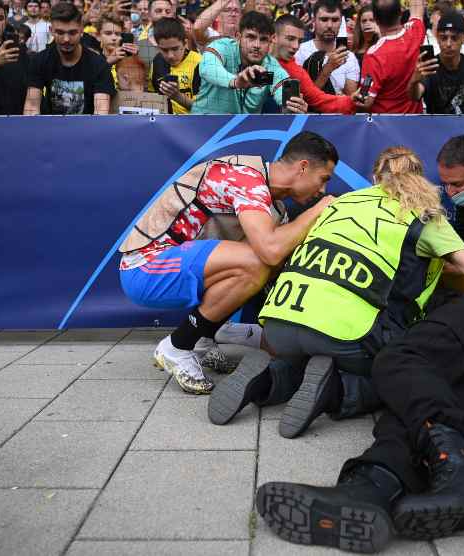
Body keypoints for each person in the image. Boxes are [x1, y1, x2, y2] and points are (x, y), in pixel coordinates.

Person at [210, 146, 464, 439]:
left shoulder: (339, 203)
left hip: (278, 328)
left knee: (309, 356)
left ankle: (267, 380)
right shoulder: (424, 216)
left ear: (375, 177)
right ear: (419, 178)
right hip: (346, 335)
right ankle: (336, 392)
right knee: (400, 373)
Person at [256, 292, 464, 552]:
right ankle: (376, 488)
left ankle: (457, 470)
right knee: (412, 407)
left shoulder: (446, 256)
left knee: (398, 359)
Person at [119, 131, 339, 394]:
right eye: (323, 179)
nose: (323, 190)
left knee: (274, 259)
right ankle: (177, 346)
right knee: (260, 259)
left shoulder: (275, 208)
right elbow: (269, 251)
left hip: (176, 267)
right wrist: (319, 210)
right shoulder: (245, 178)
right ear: (303, 167)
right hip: (144, 269)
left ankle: (204, 338)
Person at [191, 11, 306, 114]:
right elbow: (207, 69)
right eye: (251, 37)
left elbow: (282, 89)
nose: (257, 45)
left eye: (263, 39)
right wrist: (236, 81)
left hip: (244, 133)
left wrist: (292, 106)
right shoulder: (222, 47)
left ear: (271, 40)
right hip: (203, 127)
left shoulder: (271, 67)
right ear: (238, 37)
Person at [24, 2, 115, 114]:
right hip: (49, 129)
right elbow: (31, 107)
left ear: (81, 29)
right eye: (60, 32)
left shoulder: (98, 64)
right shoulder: (39, 61)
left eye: (72, 33)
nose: (66, 39)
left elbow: (101, 111)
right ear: (51, 30)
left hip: (88, 129)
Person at [272, 14, 356, 113]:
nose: (296, 46)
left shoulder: (297, 72)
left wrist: (352, 100)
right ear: (274, 37)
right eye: (290, 39)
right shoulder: (256, 58)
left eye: (299, 41)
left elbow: (319, 99)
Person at [408, 10, 464, 114]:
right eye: (443, 38)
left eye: (454, 38)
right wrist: (414, 81)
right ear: (437, 38)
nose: (448, 44)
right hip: (437, 126)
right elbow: (415, 96)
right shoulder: (430, 67)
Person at [354, 0, 426, 114]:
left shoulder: (374, 55)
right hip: (414, 121)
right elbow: (417, 10)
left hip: (385, 125)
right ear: (401, 13)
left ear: (375, 19)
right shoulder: (415, 32)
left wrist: (349, 98)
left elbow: (365, 101)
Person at [293, 0, 360, 96]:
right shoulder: (298, 52)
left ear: (341, 22)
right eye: (324, 19)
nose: (329, 25)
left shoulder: (349, 57)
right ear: (313, 21)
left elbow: (350, 100)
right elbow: (302, 98)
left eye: (335, 20)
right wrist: (328, 68)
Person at [149, 16, 201, 113]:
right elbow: (152, 96)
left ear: (185, 43)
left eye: (175, 49)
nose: (170, 56)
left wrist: (177, 96)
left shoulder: (200, 63)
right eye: (164, 50)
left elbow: (204, 110)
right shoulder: (157, 61)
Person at [136, 0, 175, 69]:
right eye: (158, 11)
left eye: (168, 12)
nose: (164, 14)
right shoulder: (140, 44)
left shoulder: (184, 40)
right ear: (149, 15)